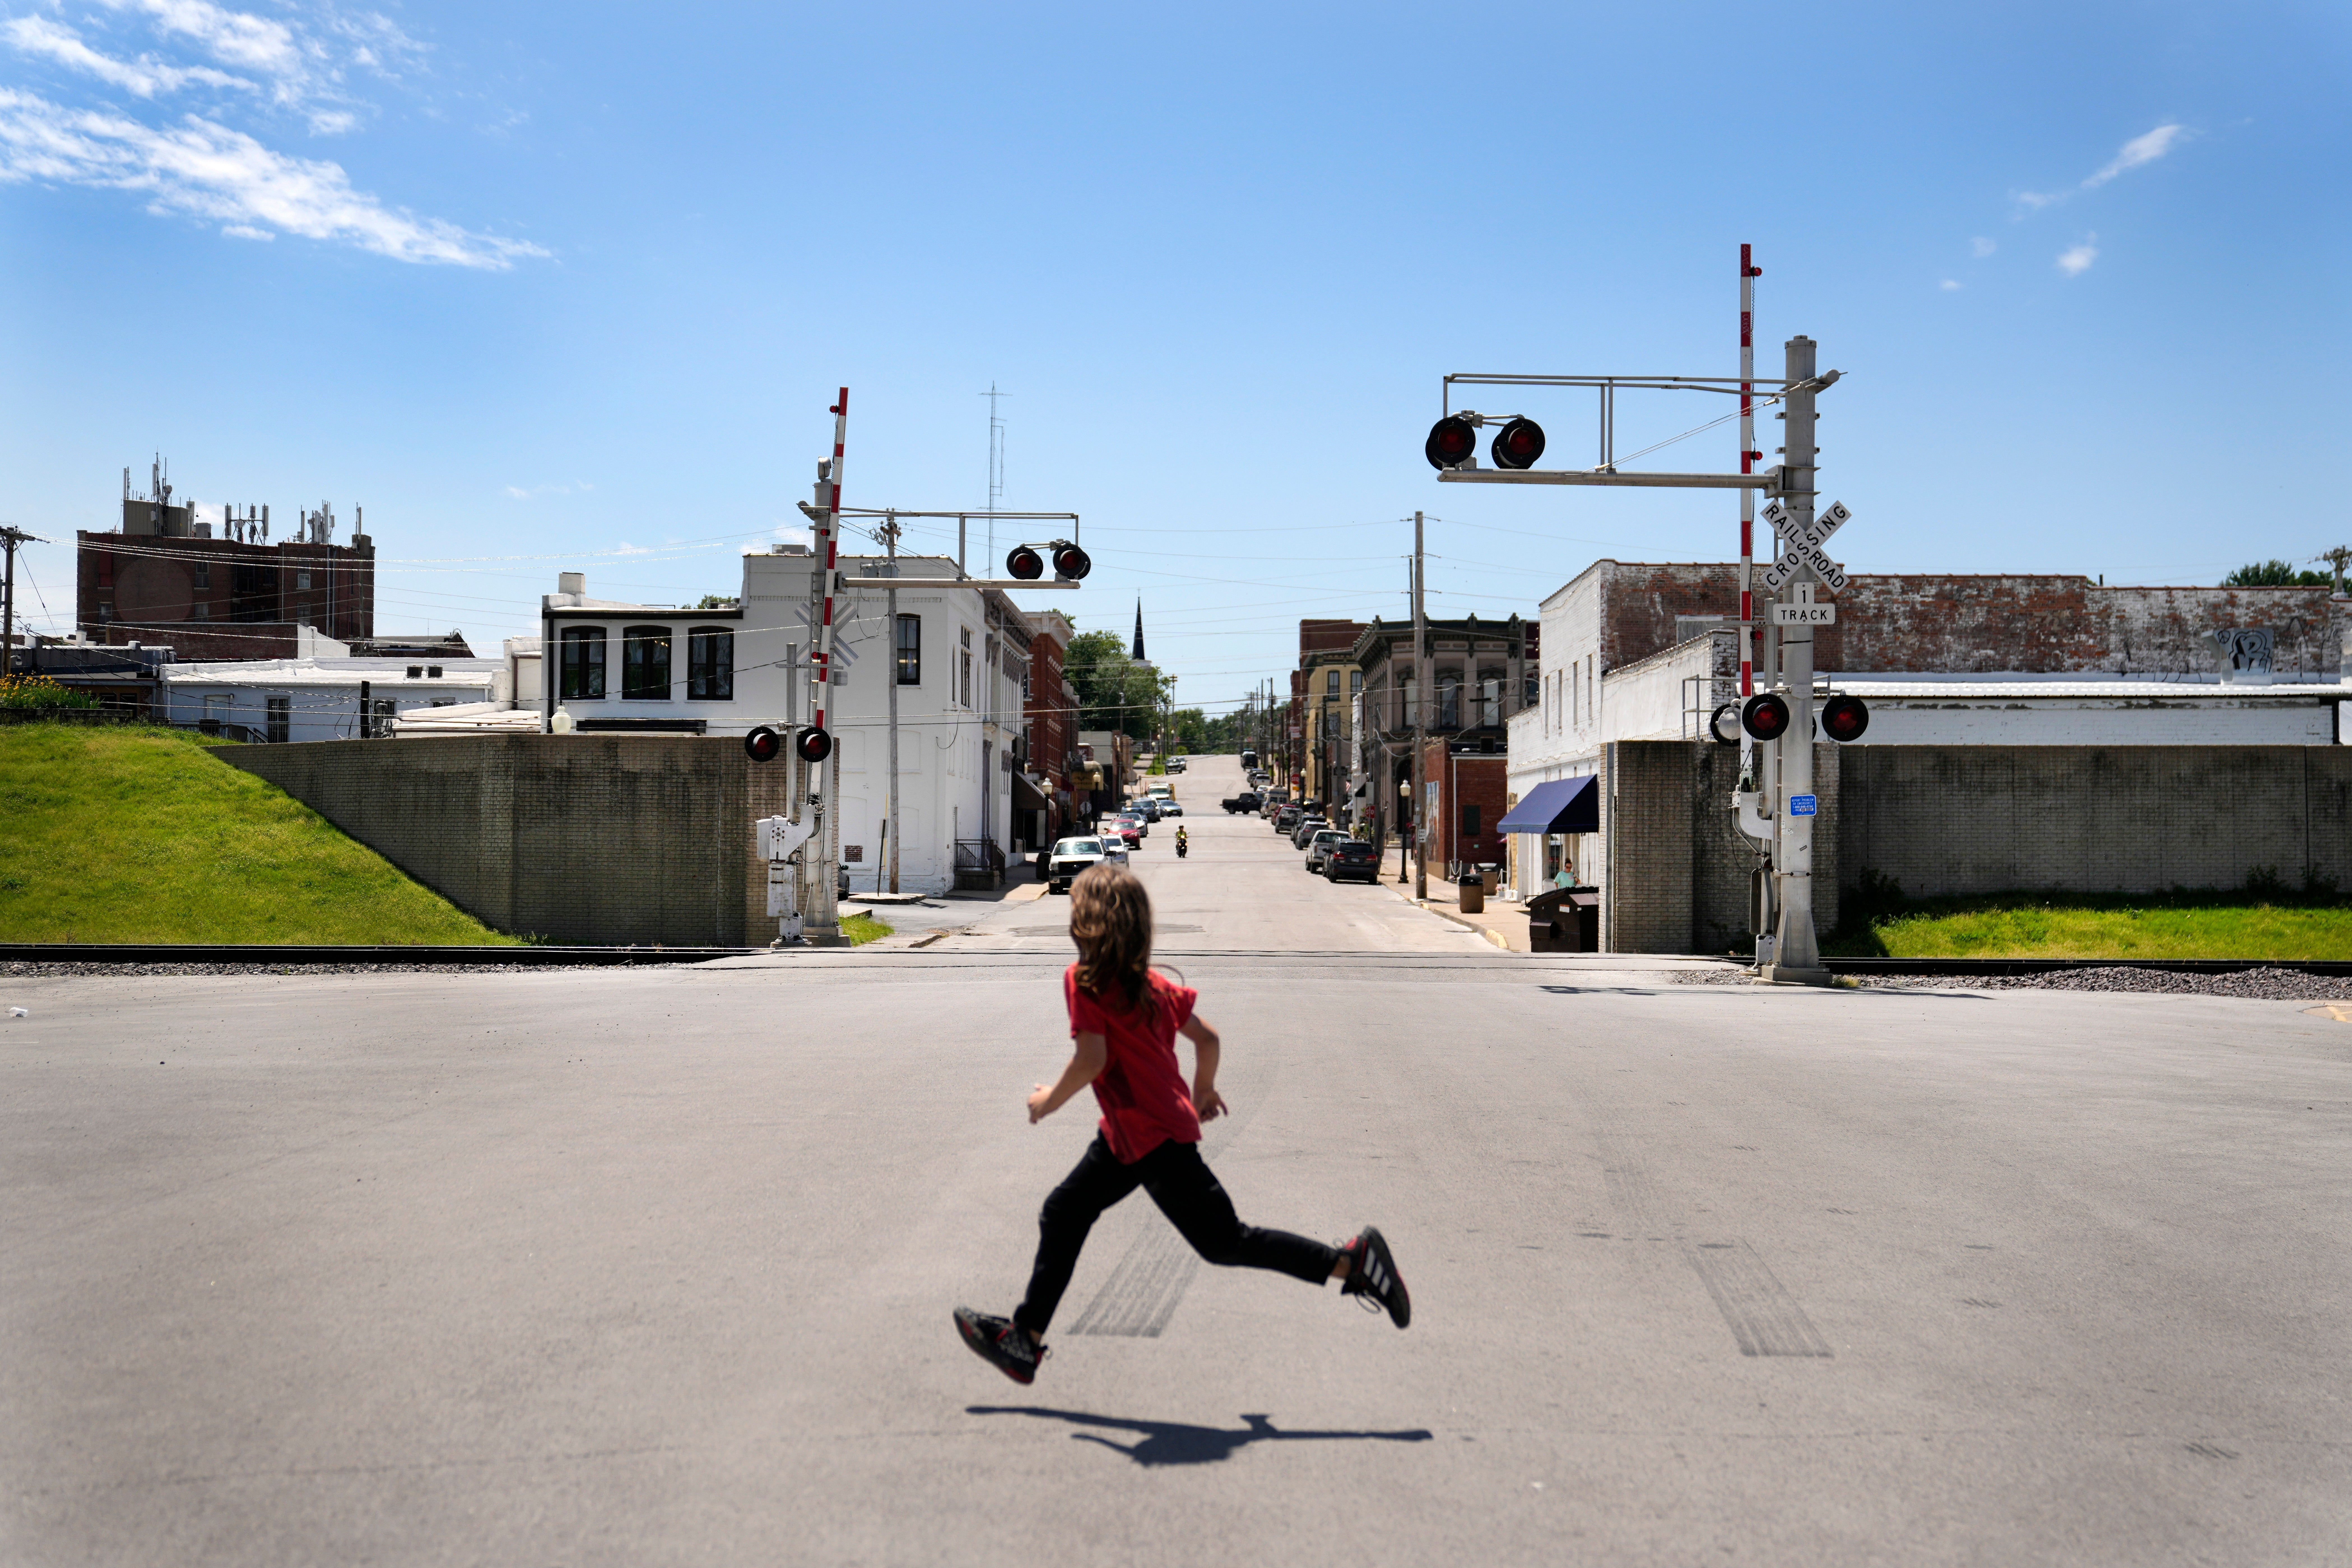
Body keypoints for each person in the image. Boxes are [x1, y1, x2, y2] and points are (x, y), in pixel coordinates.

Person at [953, 863, 1408, 1385]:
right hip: (1129, 1137)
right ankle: (1025, 1339)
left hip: (1155, 1141)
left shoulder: (1084, 982)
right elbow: (1208, 1040)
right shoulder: (1153, 986)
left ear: (1089, 924)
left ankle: (1356, 1261)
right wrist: (1204, 1089)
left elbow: (1092, 1060)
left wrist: (1048, 1101)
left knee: (1226, 1242)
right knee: (1064, 1212)